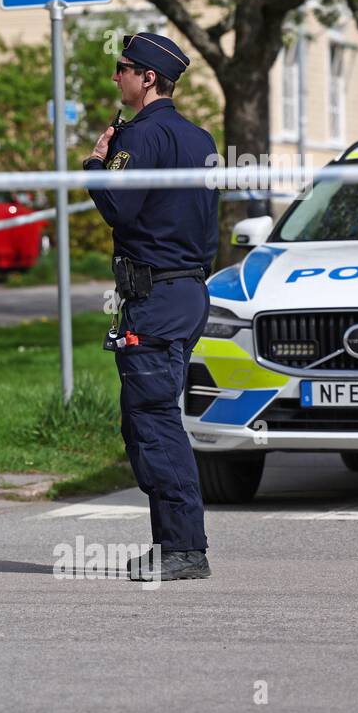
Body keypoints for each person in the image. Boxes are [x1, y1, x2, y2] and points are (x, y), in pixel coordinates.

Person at [83, 33, 219, 581]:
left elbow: (119, 205)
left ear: (147, 79)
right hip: (186, 291)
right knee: (152, 418)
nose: (116, 78)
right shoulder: (199, 136)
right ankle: (173, 546)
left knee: (153, 423)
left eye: (122, 69)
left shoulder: (140, 136)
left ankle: (185, 547)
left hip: (156, 297)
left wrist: (96, 164)